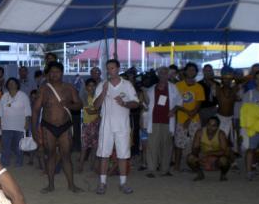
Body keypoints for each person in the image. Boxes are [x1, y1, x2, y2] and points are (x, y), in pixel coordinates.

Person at [32, 62, 83, 193]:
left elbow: (79, 104)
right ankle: (50, 185)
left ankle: (71, 185)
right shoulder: (43, 89)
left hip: (65, 126)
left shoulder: (69, 88)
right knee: (50, 156)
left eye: (57, 71)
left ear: (62, 73)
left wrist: (70, 105)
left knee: (66, 156)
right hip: (48, 126)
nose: (54, 74)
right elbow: (36, 110)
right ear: (48, 74)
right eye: (52, 72)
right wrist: (33, 129)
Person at [93, 59, 139, 194]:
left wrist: (124, 103)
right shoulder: (102, 84)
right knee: (104, 154)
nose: (110, 70)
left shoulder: (127, 85)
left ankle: (123, 183)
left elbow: (136, 103)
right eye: (108, 68)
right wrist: (103, 92)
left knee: (123, 155)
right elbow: (95, 106)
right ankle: (102, 183)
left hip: (122, 126)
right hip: (106, 125)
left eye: (112, 68)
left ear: (118, 69)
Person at [144, 67, 182, 178]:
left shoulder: (173, 88)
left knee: (166, 146)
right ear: (158, 75)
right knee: (152, 145)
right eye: (161, 73)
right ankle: (151, 169)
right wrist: (143, 95)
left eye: (165, 73)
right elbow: (147, 105)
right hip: (154, 121)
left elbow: (180, 102)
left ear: (168, 75)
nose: (163, 75)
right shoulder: (151, 89)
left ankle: (165, 170)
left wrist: (173, 110)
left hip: (167, 120)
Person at [174, 63, 205, 171]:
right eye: (189, 70)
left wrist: (189, 118)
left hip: (195, 119)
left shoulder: (199, 87)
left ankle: (194, 165)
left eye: (193, 70)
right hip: (181, 119)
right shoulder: (178, 85)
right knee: (179, 143)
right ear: (185, 71)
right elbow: (176, 104)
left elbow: (198, 106)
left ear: (196, 73)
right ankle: (177, 166)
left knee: (196, 144)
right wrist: (187, 112)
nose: (191, 72)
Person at [0, 77, 31, 167]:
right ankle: (5, 162)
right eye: (9, 83)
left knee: (18, 146)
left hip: (20, 126)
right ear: (7, 85)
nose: (11, 84)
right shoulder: (4, 96)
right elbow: (0, 111)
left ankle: (19, 162)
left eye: (13, 83)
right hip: (6, 126)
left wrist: (27, 123)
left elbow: (27, 110)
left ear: (17, 84)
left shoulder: (23, 96)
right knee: (6, 146)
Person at [187, 116, 230, 181]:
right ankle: (200, 174)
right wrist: (199, 155)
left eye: (213, 126)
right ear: (206, 124)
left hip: (216, 160)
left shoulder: (221, 134)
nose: (210, 127)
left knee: (224, 161)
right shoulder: (200, 132)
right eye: (209, 124)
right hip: (203, 158)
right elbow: (194, 148)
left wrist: (208, 154)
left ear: (217, 127)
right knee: (190, 158)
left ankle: (223, 175)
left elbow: (224, 151)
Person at [241, 70, 259, 181]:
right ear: (254, 80)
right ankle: (249, 171)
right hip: (252, 128)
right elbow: (244, 112)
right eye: (257, 78)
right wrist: (244, 127)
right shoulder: (249, 94)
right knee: (251, 149)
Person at [77, 78, 100, 173]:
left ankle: (92, 166)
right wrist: (99, 111)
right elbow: (89, 111)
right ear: (86, 87)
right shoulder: (84, 97)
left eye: (93, 85)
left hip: (96, 124)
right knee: (84, 147)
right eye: (89, 85)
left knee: (95, 147)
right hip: (87, 124)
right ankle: (80, 167)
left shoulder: (97, 97)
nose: (91, 87)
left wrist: (98, 112)